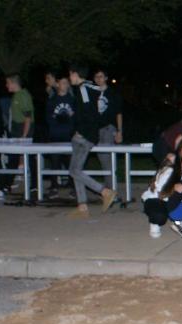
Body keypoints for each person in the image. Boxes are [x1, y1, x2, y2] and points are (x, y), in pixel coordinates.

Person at [67, 64, 116, 218]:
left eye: (70, 75)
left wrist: (81, 132)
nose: (69, 78)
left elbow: (88, 115)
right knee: (76, 170)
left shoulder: (83, 89)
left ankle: (105, 192)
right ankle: (82, 207)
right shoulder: (88, 87)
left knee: (74, 171)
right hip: (85, 135)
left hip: (84, 136)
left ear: (75, 74)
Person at [3, 73, 34, 197]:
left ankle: (34, 187)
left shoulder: (24, 95)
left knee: (30, 159)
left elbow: (28, 117)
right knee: (13, 158)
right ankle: (7, 185)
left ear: (14, 83)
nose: (6, 86)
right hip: (15, 130)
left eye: (7, 83)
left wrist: (24, 135)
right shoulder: (16, 96)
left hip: (23, 130)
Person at [94, 69, 124, 191]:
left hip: (108, 128)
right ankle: (109, 189)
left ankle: (110, 190)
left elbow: (119, 113)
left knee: (107, 159)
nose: (98, 79)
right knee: (102, 159)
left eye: (101, 76)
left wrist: (119, 131)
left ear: (106, 78)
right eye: (96, 77)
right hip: (96, 129)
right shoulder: (92, 93)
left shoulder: (112, 93)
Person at [44, 76, 74, 196]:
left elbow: (75, 118)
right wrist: (60, 119)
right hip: (55, 135)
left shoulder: (72, 100)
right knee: (55, 162)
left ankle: (73, 187)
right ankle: (54, 187)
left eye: (66, 83)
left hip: (69, 136)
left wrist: (68, 120)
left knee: (71, 163)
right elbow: (49, 117)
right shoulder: (53, 99)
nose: (64, 85)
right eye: (62, 83)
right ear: (57, 84)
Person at [142, 151, 175, 238]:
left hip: (171, 199)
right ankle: (154, 221)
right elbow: (160, 189)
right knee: (159, 217)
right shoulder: (167, 170)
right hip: (158, 199)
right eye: (169, 160)